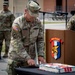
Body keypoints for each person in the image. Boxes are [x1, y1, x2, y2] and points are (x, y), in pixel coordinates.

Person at [7, 1, 46, 75]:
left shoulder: (38, 23)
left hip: (30, 61)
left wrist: (41, 55)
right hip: (16, 59)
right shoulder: (17, 23)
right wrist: (27, 58)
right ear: (25, 11)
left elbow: (40, 40)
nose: (33, 17)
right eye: (32, 15)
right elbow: (17, 43)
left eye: (35, 15)